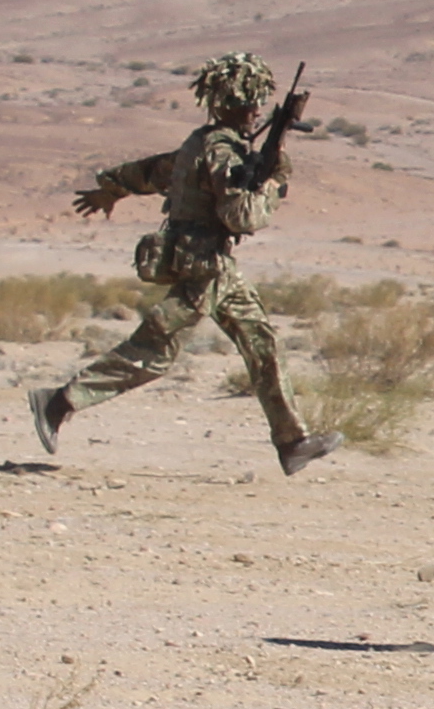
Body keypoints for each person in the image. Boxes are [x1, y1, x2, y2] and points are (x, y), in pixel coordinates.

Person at [36, 53, 331, 472]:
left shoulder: (204, 141)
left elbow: (157, 170)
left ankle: (292, 442)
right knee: (154, 353)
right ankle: (58, 402)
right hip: (204, 266)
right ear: (232, 103)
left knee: (261, 343)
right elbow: (241, 216)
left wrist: (111, 189)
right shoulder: (222, 151)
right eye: (250, 103)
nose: (255, 111)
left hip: (215, 266)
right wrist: (273, 183)